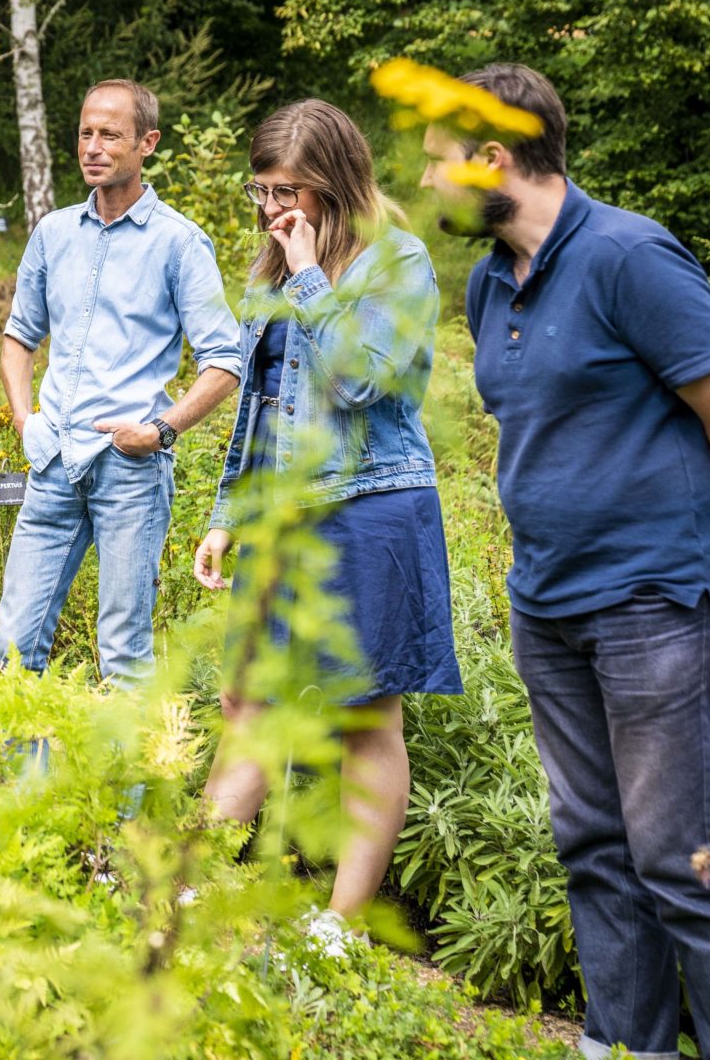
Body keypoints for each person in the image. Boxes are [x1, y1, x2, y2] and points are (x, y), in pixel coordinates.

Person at [429, 63, 710, 1060]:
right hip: (549, 604)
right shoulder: (492, 282)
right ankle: (624, 1045)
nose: (433, 178)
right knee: (595, 848)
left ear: (497, 155)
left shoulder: (629, 256)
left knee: (686, 860)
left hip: (660, 601)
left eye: (445, 157)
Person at [193, 99, 462, 935]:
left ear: (335, 185)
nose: (273, 211)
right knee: (248, 704)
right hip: (284, 519)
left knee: (364, 715)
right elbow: (260, 409)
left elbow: (359, 383)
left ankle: (342, 926)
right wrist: (228, 511)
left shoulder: (399, 261)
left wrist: (312, 277)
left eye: (289, 192)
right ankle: (186, 887)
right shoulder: (271, 268)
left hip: (372, 510)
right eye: (262, 191)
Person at [0, 79, 241, 686]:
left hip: (128, 467)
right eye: (86, 133)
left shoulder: (180, 243)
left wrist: (159, 430)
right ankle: (28, 783)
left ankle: (128, 785)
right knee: (13, 649)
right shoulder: (52, 233)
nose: (94, 147)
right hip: (52, 462)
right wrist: (27, 420)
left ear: (147, 144)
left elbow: (226, 361)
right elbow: (18, 336)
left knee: (123, 657)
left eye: (111, 135)